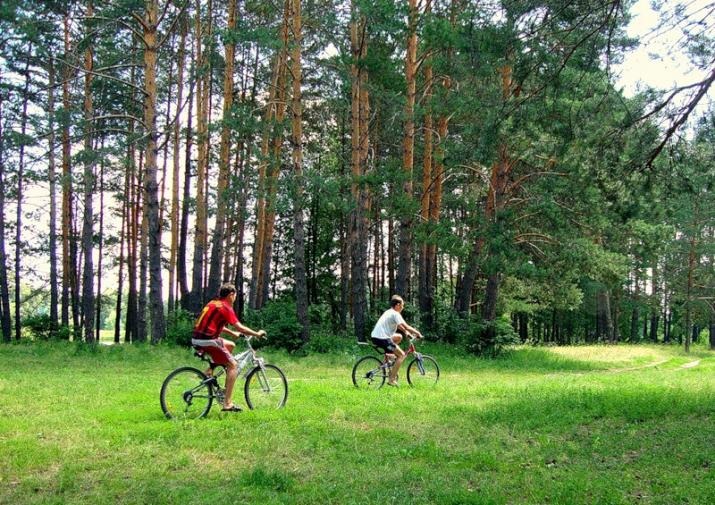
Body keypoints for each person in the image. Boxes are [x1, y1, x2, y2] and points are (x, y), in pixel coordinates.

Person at [191, 283, 266, 412]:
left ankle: (210, 370)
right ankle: (227, 403)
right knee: (233, 365)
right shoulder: (225, 307)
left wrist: (232, 333)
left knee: (230, 345)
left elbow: (215, 324)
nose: (235, 298)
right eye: (235, 295)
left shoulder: (213, 303)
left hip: (198, 338)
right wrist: (257, 334)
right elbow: (240, 327)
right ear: (231, 295)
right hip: (208, 340)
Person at [370, 294, 422, 386]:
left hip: (376, 337)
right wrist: (418, 333)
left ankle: (388, 358)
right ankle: (391, 379)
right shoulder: (395, 313)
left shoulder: (389, 312)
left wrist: (406, 332)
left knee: (399, 337)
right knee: (401, 355)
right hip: (383, 338)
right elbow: (406, 326)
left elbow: (399, 325)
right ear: (398, 305)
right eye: (402, 305)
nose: (403, 307)